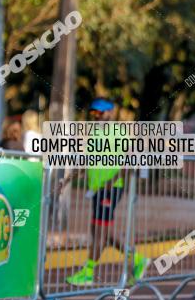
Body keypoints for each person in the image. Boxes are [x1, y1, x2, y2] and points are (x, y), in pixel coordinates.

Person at [63, 99, 150, 286]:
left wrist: (111, 182)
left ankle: (88, 272)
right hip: (97, 190)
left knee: (100, 232)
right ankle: (137, 259)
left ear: (110, 113)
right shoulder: (95, 134)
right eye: (93, 113)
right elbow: (87, 161)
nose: (96, 117)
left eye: (100, 113)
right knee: (102, 232)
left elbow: (129, 161)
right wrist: (67, 179)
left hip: (110, 190)